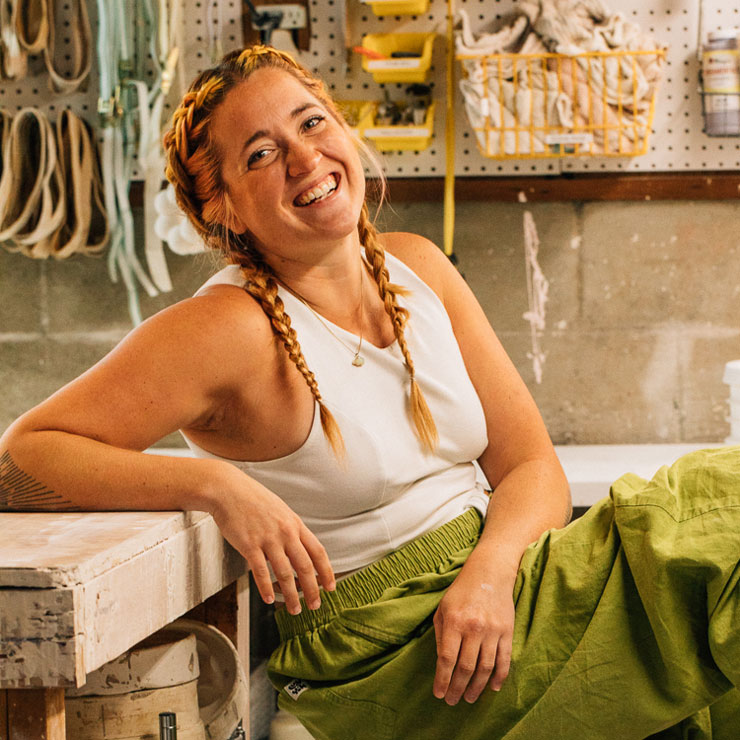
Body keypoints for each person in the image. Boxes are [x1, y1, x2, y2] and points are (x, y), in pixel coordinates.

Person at [1, 45, 739, 739]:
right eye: (261, 154)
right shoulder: (227, 326)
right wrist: (213, 485)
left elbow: (531, 467)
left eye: (311, 123)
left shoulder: (418, 267)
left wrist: (489, 574)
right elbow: (26, 454)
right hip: (397, 647)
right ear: (223, 205)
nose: (304, 158)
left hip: (500, 592)